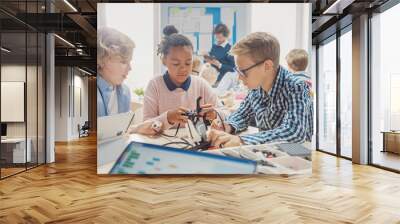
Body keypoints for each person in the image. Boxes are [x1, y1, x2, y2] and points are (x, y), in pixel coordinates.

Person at [208, 32, 313, 148]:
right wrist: (227, 126)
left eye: (243, 71)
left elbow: (294, 133)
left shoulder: (296, 87)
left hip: (299, 157)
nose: (239, 77)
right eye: (237, 70)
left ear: (267, 66)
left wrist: (241, 140)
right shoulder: (256, 88)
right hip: (271, 154)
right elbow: (242, 114)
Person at [143, 34, 223, 132]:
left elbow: (225, 113)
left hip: (196, 144)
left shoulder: (201, 84)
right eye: (176, 64)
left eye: (188, 63)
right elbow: (145, 125)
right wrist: (168, 118)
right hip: (162, 145)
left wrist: (215, 114)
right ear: (164, 61)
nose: (183, 69)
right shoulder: (155, 85)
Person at [97, 27, 135, 117]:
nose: (130, 68)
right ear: (102, 60)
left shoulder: (125, 92)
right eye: (123, 62)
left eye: (130, 62)